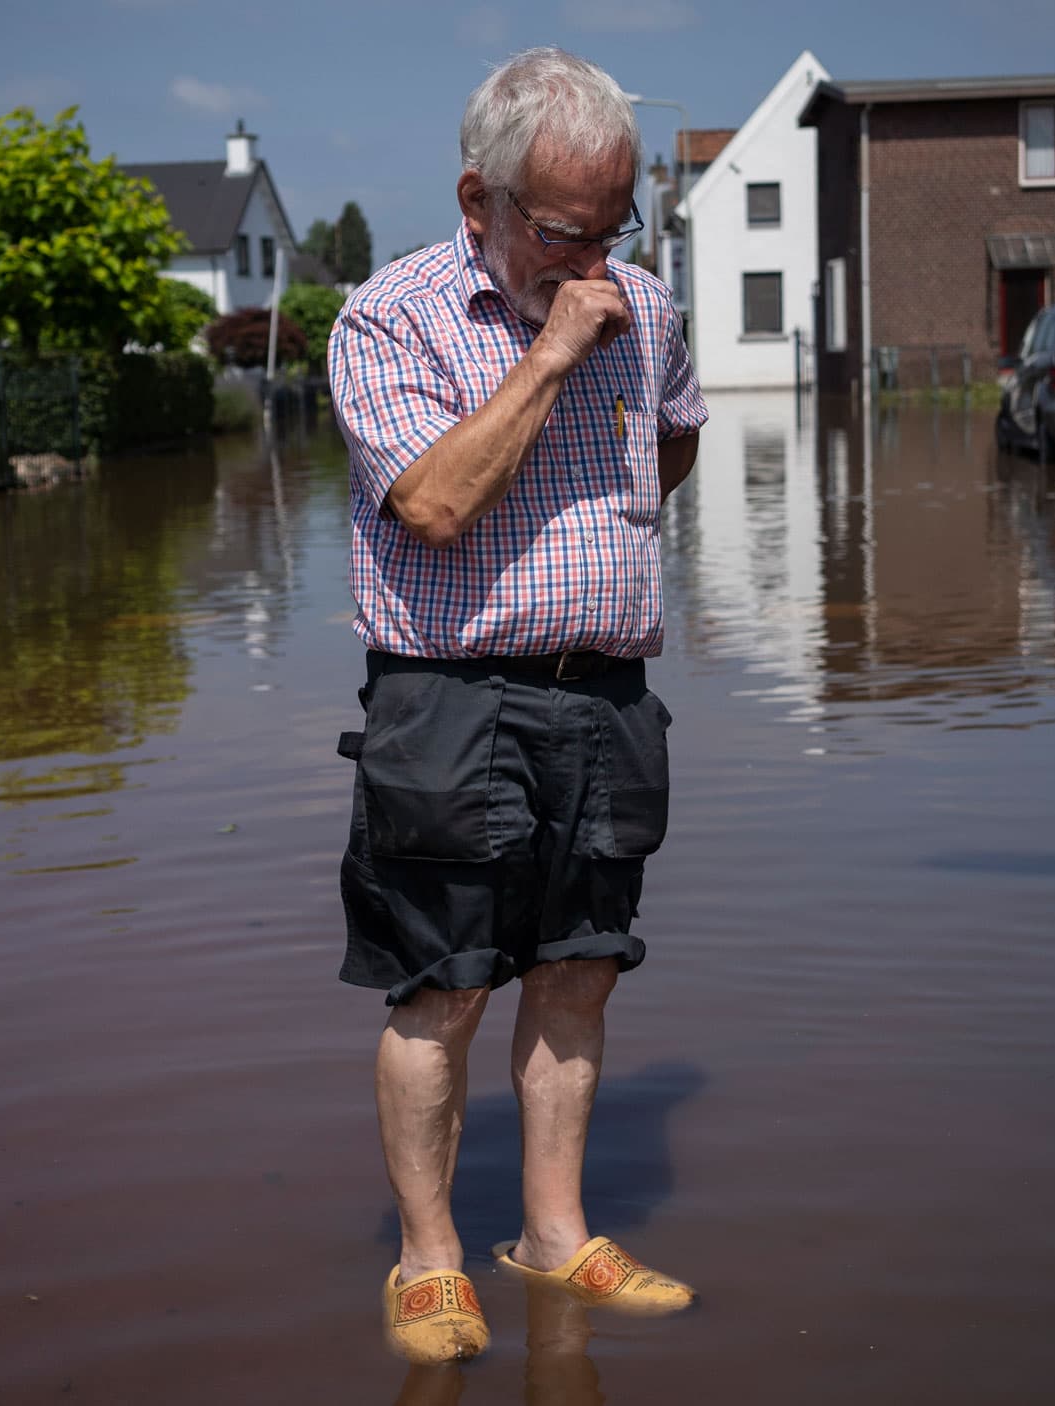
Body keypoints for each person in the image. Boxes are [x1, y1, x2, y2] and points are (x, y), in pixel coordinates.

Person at [327, 47, 707, 1365]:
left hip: (605, 691)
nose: (594, 259)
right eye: (563, 231)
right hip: (449, 691)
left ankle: (555, 1234)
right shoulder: (390, 316)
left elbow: (678, 432)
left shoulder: (645, 305)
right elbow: (433, 506)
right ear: (477, 197)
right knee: (443, 988)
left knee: (580, 975)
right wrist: (548, 357)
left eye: (614, 226)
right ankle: (428, 1259)